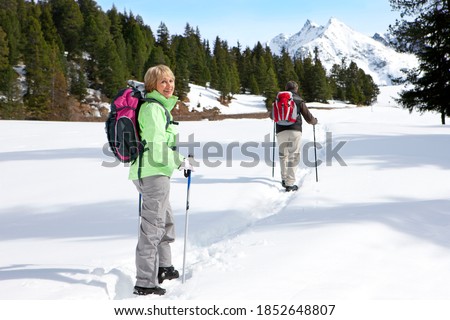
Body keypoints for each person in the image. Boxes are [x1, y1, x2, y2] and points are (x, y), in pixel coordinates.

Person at [129, 64, 194, 296]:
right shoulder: (152, 109)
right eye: (163, 81)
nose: (169, 85)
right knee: (152, 228)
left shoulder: (159, 108)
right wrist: (180, 161)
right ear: (152, 85)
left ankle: (164, 267)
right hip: (152, 172)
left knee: (165, 221)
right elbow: (157, 146)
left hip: (157, 172)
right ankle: (144, 282)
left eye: (171, 81)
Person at [275, 81, 317, 192]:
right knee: (293, 156)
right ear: (296, 89)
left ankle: (284, 179)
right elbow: (308, 118)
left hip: (280, 131)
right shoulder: (298, 99)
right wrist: (314, 121)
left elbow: (272, 115)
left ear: (286, 88)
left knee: (283, 155)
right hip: (295, 130)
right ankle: (290, 183)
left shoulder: (278, 99)